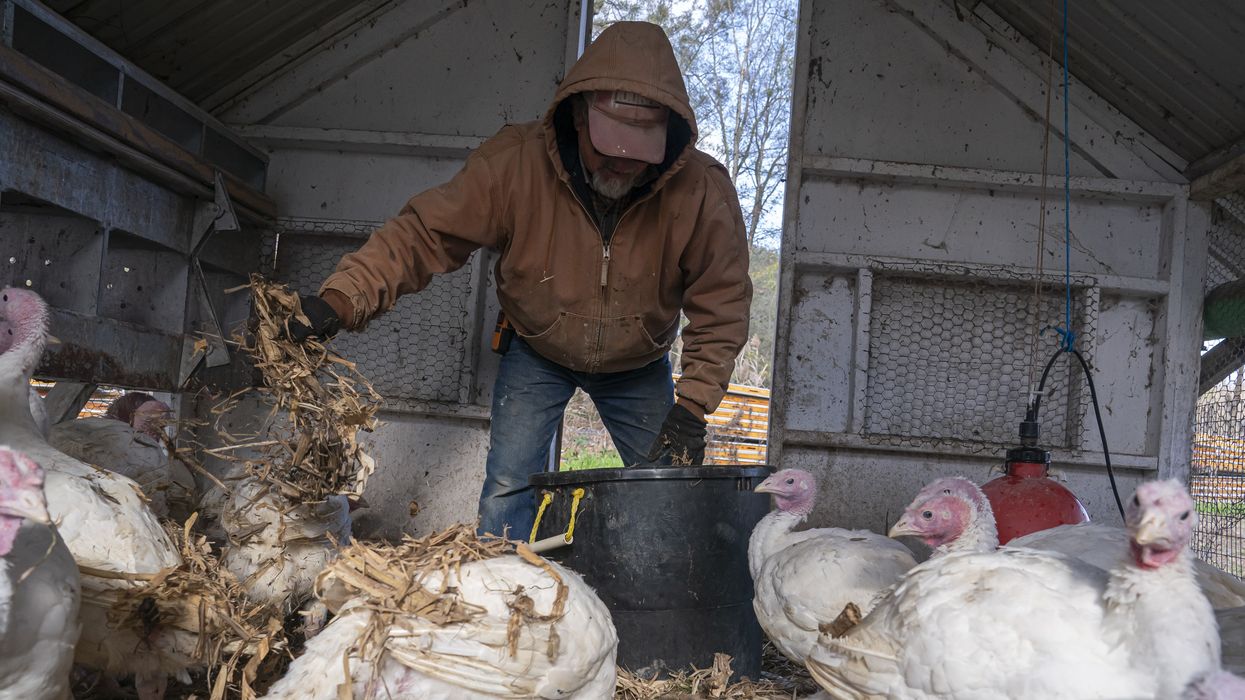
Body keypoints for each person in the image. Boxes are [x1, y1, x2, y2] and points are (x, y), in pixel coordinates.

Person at [288, 21, 752, 538]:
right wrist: (340, 300)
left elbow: (723, 301)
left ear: (668, 137)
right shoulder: (515, 164)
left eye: (638, 153)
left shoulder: (701, 191)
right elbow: (423, 235)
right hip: (539, 349)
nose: (621, 166)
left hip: (638, 364)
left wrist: (692, 406)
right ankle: (501, 599)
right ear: (578, 115)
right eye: (609, 148)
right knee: (508, 489)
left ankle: (661, 602)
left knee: (670, 490)